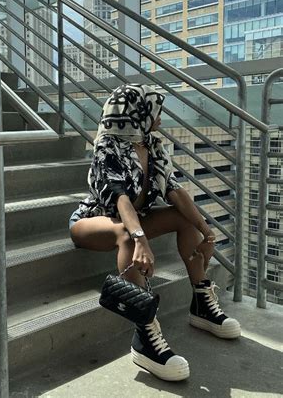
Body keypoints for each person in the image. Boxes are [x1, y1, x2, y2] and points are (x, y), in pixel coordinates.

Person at [69, 84, 241, 382]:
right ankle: (145, 334)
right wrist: (139, 239)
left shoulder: (152, 145)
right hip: (93, 221)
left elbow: (174, 190)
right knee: (125, 230)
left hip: (136, 217)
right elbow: (119, 197)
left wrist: (206, 231)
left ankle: (201, 301)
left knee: (184, 220)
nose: (159, 116)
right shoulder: (107, 146)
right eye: (155, 109)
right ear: (136, 113)